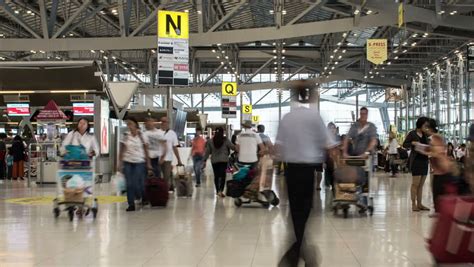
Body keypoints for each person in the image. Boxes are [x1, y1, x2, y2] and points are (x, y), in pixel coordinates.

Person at [275, 80, 338, 267]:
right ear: (309, 95)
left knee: (295, 213)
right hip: (308, 171)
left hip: (292, 171)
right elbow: (328, 145)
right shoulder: (315, 117)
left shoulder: (287, 117)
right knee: (305, 211)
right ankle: (299, 251)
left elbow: (279, 147)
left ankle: (296, 252)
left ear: (293, 96)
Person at [118, 117, 151, 212]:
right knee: (129, 184)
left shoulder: (142, 135)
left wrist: (148, 163)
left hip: (139, 162)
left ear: (136, 125)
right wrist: (120, 163)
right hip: (127, 161)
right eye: (128, 124)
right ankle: (131, 204)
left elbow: (146, 150)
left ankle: (144, 196)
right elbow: (121, 150)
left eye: (131, 124)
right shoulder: (125, 135)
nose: (129, 126)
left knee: (137, 183)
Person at [424, 119, 456, 215]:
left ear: (429, 128)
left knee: (438, 190)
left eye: (426, 127)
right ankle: (440, 210)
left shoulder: (434, 138)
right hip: (440, 170)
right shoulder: (437, 137)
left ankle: (440, 210)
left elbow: (438, 153)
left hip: (441, 170)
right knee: (439, 190)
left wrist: (427, 152)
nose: (425, 129)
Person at [403, 116, 431, 212]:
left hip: (424, 161)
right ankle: (413, 204)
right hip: (416, 161)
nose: (426, 127)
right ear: (420, 125)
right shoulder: (412, 134)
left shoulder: (425, 135)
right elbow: (404, 144)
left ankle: (420, 203)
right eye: (425, 125)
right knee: (415, 184)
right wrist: (413, 143)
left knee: (421, 185)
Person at [203, 127, 235, 197]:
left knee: (216, 176)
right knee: (223, 175)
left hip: (214, 160)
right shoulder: (225, 140)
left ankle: (217, 191)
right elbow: (232, 147)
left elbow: (207, 152)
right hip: (224, 160)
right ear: (222, 132)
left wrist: (204, 160)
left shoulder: (210, 141)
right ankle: (221, 190)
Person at [158, 117, 183, 192]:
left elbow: (174, 147)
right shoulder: (157, 132)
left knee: (166, 177)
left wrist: (179, 160)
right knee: (158, 177)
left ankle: (164, 192)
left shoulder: (172, 133)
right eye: (162, 121)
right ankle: (158, 191)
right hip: (157, 158)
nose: (163, 123)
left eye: (165, 122)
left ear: (168, 123)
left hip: (168, 159)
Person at [324, 122, 340, 193]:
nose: (332, 130)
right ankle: (328, 186)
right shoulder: (325, 138)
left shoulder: (338, 137)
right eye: (330, 128)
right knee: (328, 175)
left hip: (337, 161)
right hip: (328, 161)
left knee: (336, 176)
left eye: (333, 128)